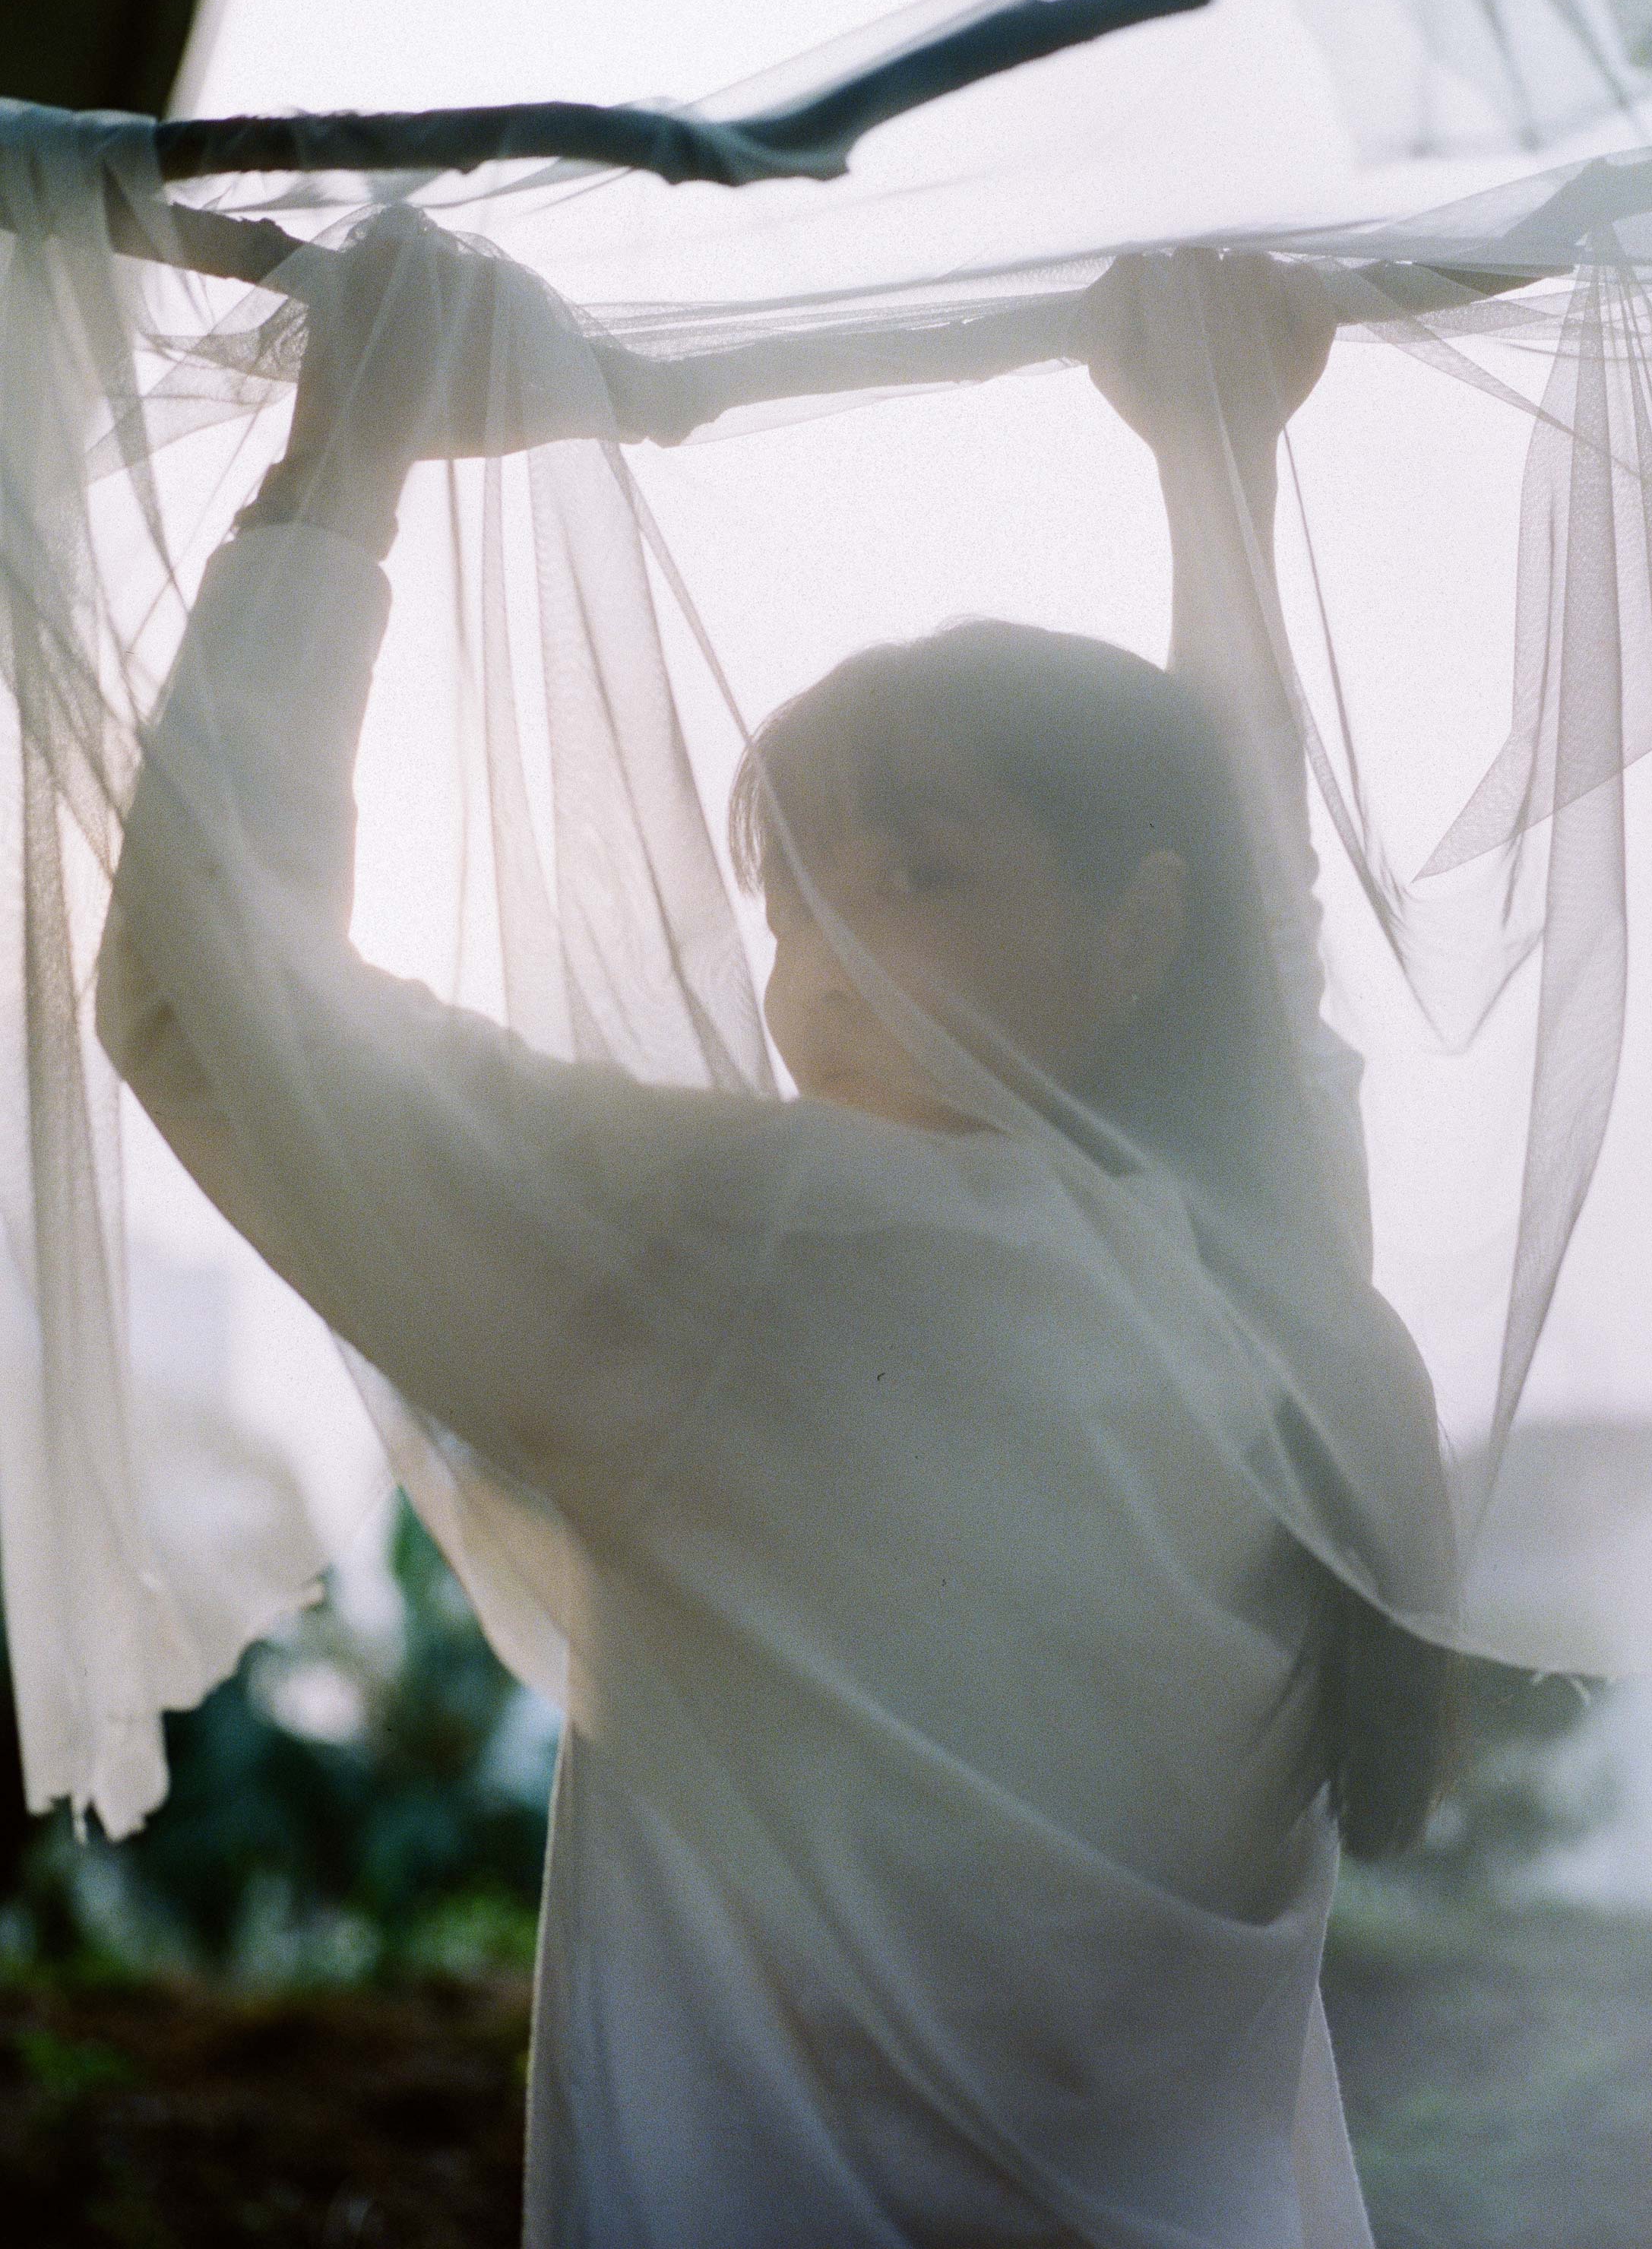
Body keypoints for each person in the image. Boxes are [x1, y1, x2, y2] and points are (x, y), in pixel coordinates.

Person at [95, 211, 1449, 2246]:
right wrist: (1214, 461)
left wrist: (344, 465)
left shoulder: (803, 1248)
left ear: (1132, 933)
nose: (822, 963)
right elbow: (1256, 935)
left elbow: (201, 1010)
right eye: (794, 896)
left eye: (916, 876)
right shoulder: (1269, 1268)